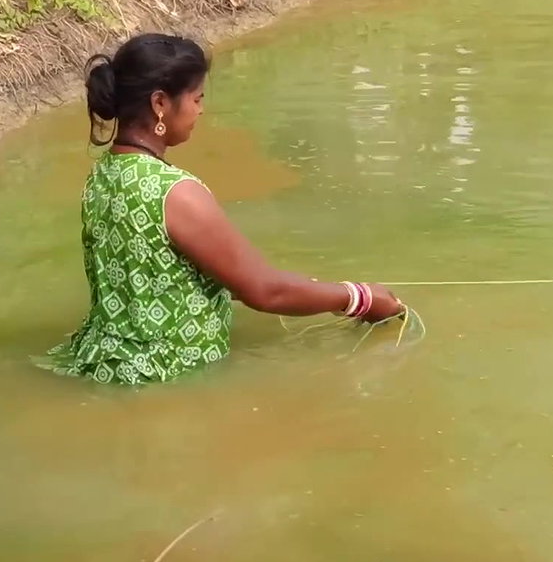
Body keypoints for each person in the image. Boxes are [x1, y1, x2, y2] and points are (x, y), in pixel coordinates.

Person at [38, 33, 405, 386]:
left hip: (101, 361)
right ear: (160, 103)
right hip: (170, 374)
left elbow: (158, 276)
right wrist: (359, 298)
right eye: (196, 98)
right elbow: (264, 292)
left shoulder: (102, 174)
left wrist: (296, 287)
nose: (201, 109)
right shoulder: (176, 193)